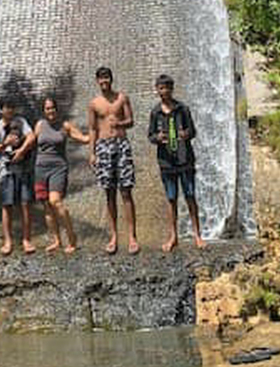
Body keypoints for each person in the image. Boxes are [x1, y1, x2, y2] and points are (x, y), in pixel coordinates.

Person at [148, 73, 205, 251]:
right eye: (161, 88)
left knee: (190, 196)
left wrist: (186, 134)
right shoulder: (155, 113)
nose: (164, 91)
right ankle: (173, 236)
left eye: (167, 88)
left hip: (185, 159)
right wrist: (157, 138)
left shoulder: (183, 109)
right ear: (157, 90)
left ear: (172, 89)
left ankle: (197, 235)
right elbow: (150, 136)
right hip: (166, 162)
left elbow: (193, 131)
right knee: (171, 199)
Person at [87, 66, 139, 255]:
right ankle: (114, 236)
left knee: (126, 191)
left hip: (121, 144)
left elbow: (131, 121)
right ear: (97, 81)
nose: (104, 81)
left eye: (107, 78)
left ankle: (132, 237)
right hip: (103, 146)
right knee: (109, 193)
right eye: (101, 78)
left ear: (111, 79)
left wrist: (120, 123)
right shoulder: (94, 104)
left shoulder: (122, 98)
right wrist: (92, 153)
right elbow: (92, 129)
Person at [32, 95, 89, 253]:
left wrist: (100, 133)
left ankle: (72, 238)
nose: (50, 111)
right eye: (47, 108)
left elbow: (83, 138)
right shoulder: (40, 125)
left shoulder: (65, 126)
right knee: (47, 206)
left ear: (57, 109)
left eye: (52, 108)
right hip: (40, 168)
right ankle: (56, 240)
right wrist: (18, 150)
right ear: (44, 111)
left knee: (55, 201)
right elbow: (31, 141)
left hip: (58, 168)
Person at [0, 96, 36, 255]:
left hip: (23, 168)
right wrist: (5, 143)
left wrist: (21, 151)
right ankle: (8, 241)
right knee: (7, 206)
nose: (10, 110)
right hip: (5, 170)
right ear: (1, 109)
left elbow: (32, 137)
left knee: (25, 204)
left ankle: (26, 240)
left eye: (12, 107)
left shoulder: (21, 122)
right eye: (7, 107)